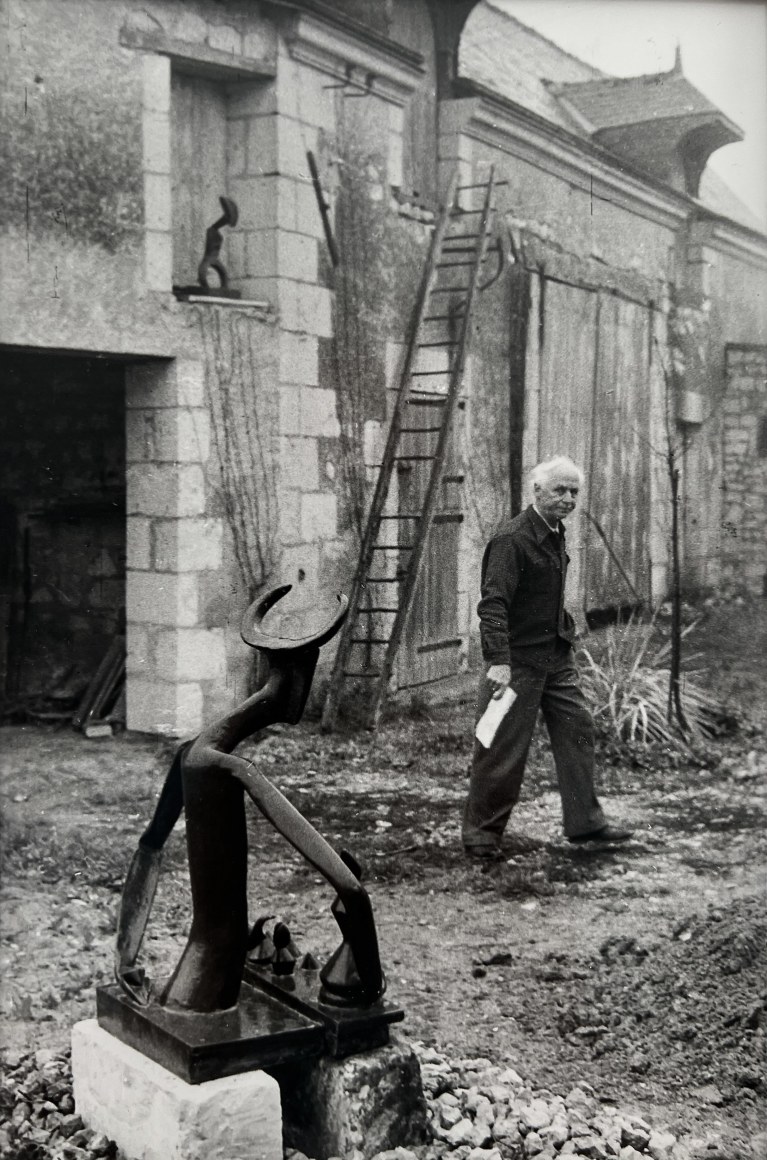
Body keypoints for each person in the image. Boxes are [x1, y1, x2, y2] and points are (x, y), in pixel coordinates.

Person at [462, 455, 633, 858]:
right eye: (560, 490)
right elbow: (493, 604)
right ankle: (482, 839)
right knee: (499, 747)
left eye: (574, 491)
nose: (569, 498)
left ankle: (585, 824)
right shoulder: (512, 539)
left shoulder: (555, 532)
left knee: (578, 730)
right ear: (537, 491)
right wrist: (498, 661)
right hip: (516, 664)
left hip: (555, 659)